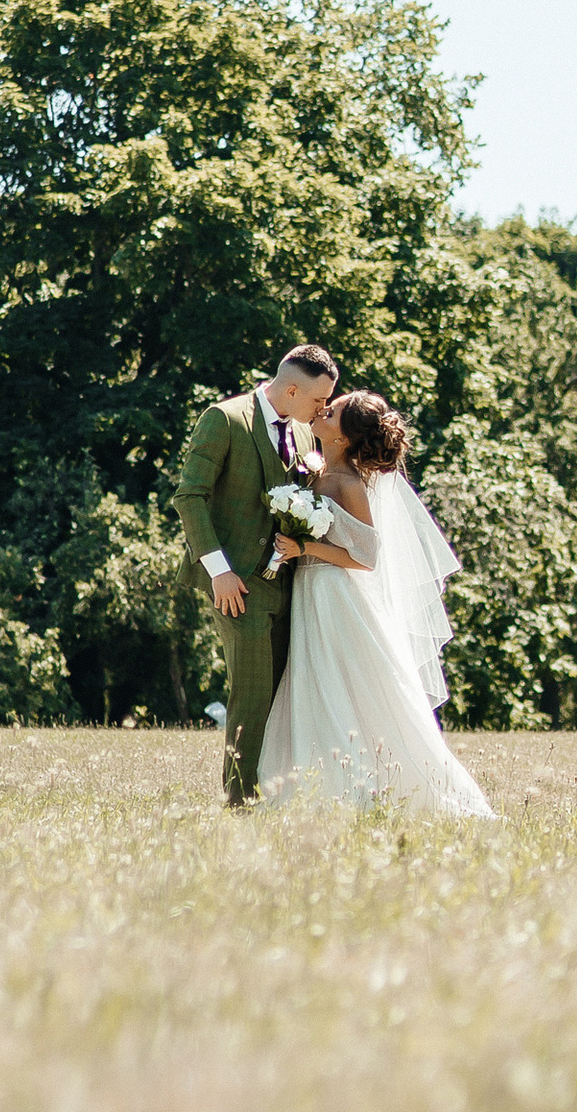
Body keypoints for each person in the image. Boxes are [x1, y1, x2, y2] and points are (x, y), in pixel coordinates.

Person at [259, 391, 493, 820]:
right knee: (315, 679)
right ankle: (316, 782)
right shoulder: (316, 469)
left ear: (345, 439)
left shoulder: (348, 483)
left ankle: (375, 787)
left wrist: (305, 546)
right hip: (310, 592)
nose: (322, 411)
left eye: (332, 412)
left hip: (334, 593)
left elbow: (366, 556)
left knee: (343, 681)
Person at [173, 343, 338, 807]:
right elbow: (191, 497)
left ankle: (278, 789)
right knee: (250, 690)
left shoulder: (306, 436)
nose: (323, 409)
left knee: (285, 691)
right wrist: (219, 571)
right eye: (318, 400)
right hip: (237, 585)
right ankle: (240, 799)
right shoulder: (224, 419)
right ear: (290, 388)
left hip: (290, 585)